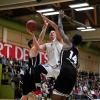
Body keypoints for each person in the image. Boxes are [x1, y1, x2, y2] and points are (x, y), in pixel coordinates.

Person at [52, 11, 82, 100]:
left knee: (55, 96)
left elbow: (60, 28)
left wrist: (60, 17)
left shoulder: (69, 44)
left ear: (72, 39)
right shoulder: (77, 51)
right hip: (73, 75)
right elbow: (78, 65)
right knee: (63, 97)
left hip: (65, 71)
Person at [20, 17, 48, 100]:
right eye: (35, 42)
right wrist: (33, 34)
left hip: (30, 74)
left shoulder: (35, 51)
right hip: (31, 75)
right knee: (35, 95)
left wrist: (45, 27)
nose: (38, 42)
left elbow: (40, 39)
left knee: (26, 95)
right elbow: (40, 39)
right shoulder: (33, 50)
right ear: (32, 44)